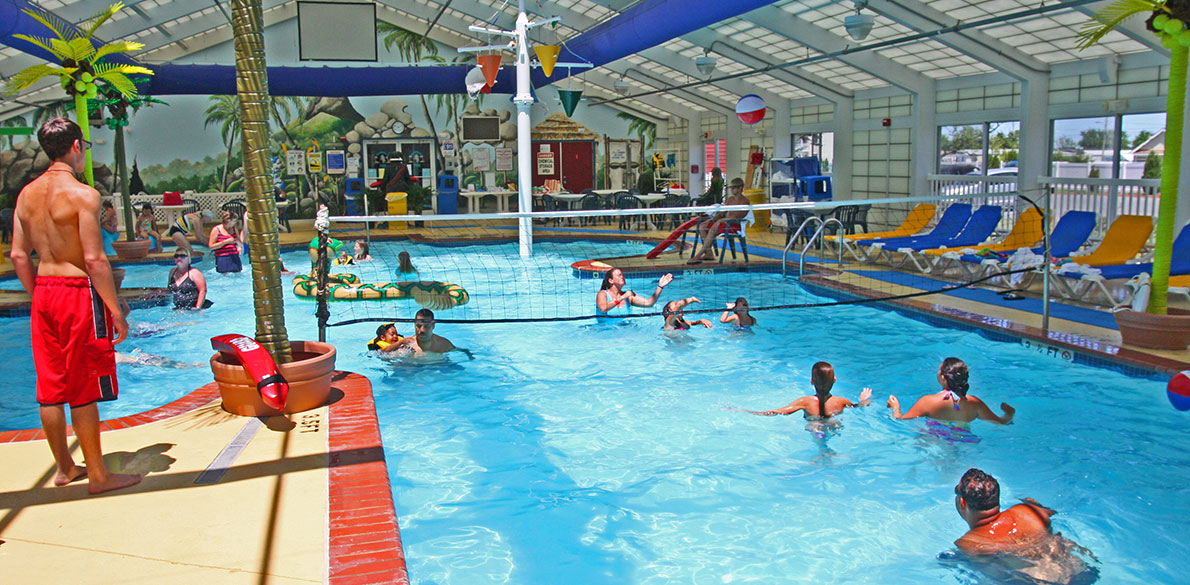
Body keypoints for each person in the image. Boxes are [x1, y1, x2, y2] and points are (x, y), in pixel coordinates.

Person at [8, 117, 140, 494]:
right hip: (77, 292)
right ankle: (98, 475)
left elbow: (18, 254)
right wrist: (115, 310)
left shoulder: (26, 195)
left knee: (50, 387)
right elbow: (95, 259)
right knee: (83, 386)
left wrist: (38, 292)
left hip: (44, 293)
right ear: (76, 146)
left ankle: (65, 468)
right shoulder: (83, 195)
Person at [952, 467, 1097, 585]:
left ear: (963, 502)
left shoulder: (969, 543)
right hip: (1082, 573)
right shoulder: (1029, 510)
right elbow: (1051, 512)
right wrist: (1031, 503)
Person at [887, 357, 1015, 424]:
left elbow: (900, 420)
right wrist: (1009, 414)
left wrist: (895, 407)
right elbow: (1002, 422)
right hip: (965, 442)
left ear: (943, 378)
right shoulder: (975, 403)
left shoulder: (928, 401)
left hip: (933, 442)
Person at [741, 362, 873, 418]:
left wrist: (748, 411)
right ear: (834, 380)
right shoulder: (841, 401)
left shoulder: (805, 402)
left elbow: (778, 412)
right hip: (834, 426)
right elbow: (857, 406)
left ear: (812, 381)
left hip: (814, 428)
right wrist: (864, 400)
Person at [687, 177, 750, 265]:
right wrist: (711, 220)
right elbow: (722, 213)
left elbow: (738, 216)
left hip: (735, 226)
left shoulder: (745, 201)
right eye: (731, 187)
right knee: (702, 226)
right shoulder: (730, 200)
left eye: (734, 187)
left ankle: (698, 256)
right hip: (725, 223)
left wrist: (720, 221)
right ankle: (709, 253)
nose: (732, 190)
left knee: (713, 229)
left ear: (740, 188)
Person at [596, 267, 674, 320]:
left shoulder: (628, 297)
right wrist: (622, 297)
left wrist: (660, 287)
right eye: (619, 275)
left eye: (622, 275)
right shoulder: (602, 294)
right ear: (611, 280)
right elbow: (603, 309)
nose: (622, 277)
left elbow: (649, 303)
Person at [392, 308, 472, 357]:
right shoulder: (407, 343)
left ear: (433, 326)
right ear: (414, 325)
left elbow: (461, 351)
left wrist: (470, 356)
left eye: (426, 326)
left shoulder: (442, 344)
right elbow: (385, 352)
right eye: (419, 326)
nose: (422, 330)